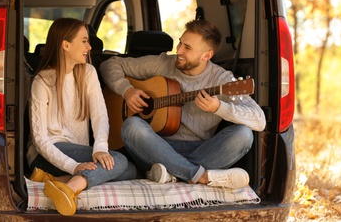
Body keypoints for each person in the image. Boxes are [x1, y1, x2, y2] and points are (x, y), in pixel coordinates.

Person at [99, 20, 266, 190]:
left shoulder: (222, 80)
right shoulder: (164, 63)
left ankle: (172, 174)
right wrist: (126, 90)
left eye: (187, 48)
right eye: (180, 42)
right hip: (156, 149)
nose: (178, 50)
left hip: (201, 150)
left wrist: (218, 108)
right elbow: (110, 64)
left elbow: (259, 120)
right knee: (132, 125)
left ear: (206, 55)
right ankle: (201, 177)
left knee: (244, 134)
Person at [26, 18, 136, 216]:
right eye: (84, 40)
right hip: (47, 153)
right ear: (65, 44)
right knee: (119, 161)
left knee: (130, 170)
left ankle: (58, 181)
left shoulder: (88, 72)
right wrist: (74, 167)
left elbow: (100, 115)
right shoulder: (42, 82)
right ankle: (70, 188)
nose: (89, 46)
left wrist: (100, 148)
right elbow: (40, 140)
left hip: (77, 150)